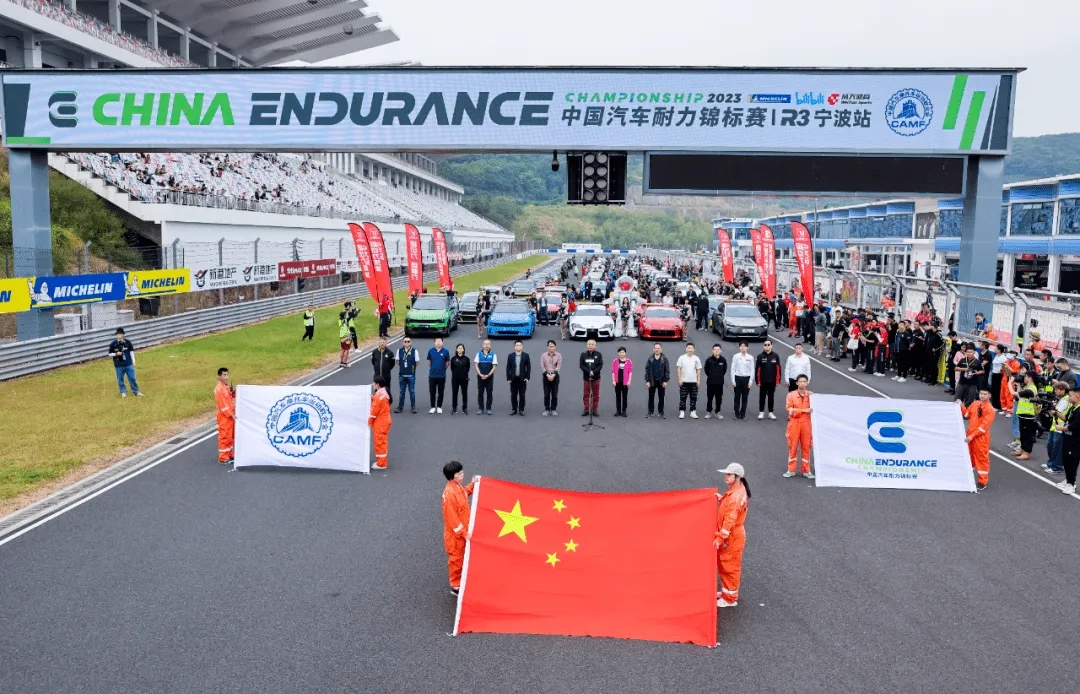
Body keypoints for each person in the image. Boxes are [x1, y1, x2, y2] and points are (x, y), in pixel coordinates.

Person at [714, 462, 750, 608]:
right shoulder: (735, 491)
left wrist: (719, 538)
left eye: (729, 474)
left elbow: (730, 519)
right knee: (725, 565)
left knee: (730, 567)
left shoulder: (735, 496)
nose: (726, 476)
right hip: (732, 535)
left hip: (732, 537)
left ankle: (730, 599)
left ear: (738, 477)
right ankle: (726, 593)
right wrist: (721, 498)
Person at [441, 461, 478, 596]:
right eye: (459, 474)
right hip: (456, 537)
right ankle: (455, 586)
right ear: (452, 476)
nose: (462, 475)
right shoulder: (450, 494)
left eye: (462, 472)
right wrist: (464, 533)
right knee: (456, 561)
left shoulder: (457, 487)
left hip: (461, 534)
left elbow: (464, 493)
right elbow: (452, 520)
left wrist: (473, 484)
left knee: (462, 558)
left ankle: (460, 580)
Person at [959, 388, 995, 489]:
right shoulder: (975, 404)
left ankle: (982, 482)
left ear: (989, 395)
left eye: (985, 394)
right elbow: (967, 414)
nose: (982, 396)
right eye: (981, 393)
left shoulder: (990, 410)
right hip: (971, 436)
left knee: (981, 459)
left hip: (981, 439)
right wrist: (961, 405)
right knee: (969, 457)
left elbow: (983, 427)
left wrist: (971, 436)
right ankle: (967, 477)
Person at [784, 374, 814, 478]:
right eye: (800, 381)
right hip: (794, 424)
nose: (802, 383)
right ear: (797, 383)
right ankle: (791, 470)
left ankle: (806, 470)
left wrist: (815, 397)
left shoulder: (811, 396)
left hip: (806, 424)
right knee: (793, 446)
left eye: (804, 381)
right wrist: (803, 410)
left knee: (806, 447)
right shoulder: (791, 395)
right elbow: (789, 409)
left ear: (807, 383)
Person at [1042, 381, 1069, 476]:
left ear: (1063, 390)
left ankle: (1057, 467)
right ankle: (1051, 464)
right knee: (1051, 446)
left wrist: (1052, 409)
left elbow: (1056, 412)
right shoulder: (1061, 399)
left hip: (1060, 428)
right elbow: (1052, 413)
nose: (1055, 391)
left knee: (1056, 449)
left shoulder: (1065, 400)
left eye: (1057, 389)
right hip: (1055, 427)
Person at [1057, 386, 1080, 495]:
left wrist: (1061, 428)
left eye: (1071, 396)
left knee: (1072, 461)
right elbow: (1066, 418)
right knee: (1066, 459)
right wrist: (1055, 412)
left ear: (1077, 396)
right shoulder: (1073, 408)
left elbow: (1074, 426)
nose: (1069, 398)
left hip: (1075, 441)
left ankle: (1071, 484)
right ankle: (1068, 479)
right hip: (1068, 438)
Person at [108, 328, 142, 398]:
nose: (119, 336)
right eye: (118, 334)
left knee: (132, 378)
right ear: (116, 335)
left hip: (128, 364)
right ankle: (123, 391)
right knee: (120, 379)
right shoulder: (113, 344)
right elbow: (109, 354)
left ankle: (136, 391)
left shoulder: (128, 342)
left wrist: (133, 361)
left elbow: (131, 352)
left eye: (121, 334)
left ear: (123, 335)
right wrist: (116, 354)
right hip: (118, 365)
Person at [755, 339, 782, 420]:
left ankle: (771, 412)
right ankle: (761, 412)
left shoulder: (775, 356)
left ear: (771, 346)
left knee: (771, 397)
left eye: (768, 345)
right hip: (763, 381)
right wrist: (757, 381)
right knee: (762, 396)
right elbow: (757, 369)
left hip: (772, 381)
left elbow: (778, 369)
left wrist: (778, 380)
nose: (767, 346)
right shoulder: (760, 356)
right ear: (763, 346)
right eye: (765, 345)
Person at [369, 377, 392, 470]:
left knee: (379, 442)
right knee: (382, 441)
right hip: (385, 420)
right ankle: (381, 461)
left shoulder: (379, 395)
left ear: (377, 384)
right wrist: (372, 398)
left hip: (380, 422)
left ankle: (381, 464)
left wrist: (369, 422)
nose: (373, 384)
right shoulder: (383, 392)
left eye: (374, 383)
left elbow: (374, 411)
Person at [1012, 385, 1039, 462]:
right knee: (1023, 434)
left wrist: (1010, 383)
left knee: (1028, 435)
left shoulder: (1030, 390)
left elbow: (1015, 393)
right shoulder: (1026, 388)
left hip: (1028, 416)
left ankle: (1027, 452)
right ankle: (1022, 449)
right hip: (1022, 415)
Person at [214, 367, 235, 465]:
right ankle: (223, 457)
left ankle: (229, 454)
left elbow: (229, 398)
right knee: (224, 437)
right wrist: (231, 415)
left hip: (229, 416)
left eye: (227, 375)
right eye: (224, 375)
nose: (226, 377)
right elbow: (223, 405)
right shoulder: (219, 389)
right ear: (220, 376)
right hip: (224, 417)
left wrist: (234, 392)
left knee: (230, 437)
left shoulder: (226, 387)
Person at [676, 342, 702, 420]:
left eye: (691, 348)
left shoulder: (696, 358)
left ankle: (693, 411)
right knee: (683, 397)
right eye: (688, 348)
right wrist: (679, 379)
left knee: (693, 398)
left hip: (694, 382)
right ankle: (682, 411)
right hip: (684, 381)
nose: (690, 349)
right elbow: (678, 368)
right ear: (686, 349)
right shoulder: (682, 358)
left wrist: (698, 380)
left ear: (694, 349)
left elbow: (698, 370)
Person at [644, 342, 670, 419]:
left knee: (661, 397)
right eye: (655, 348)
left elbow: (667, 371)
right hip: (652, 380)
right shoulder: (650, 359)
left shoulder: (664, 359)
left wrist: (665, 381)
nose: (657, 350)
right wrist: (647, 381)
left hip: (661, 381)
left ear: (661, 349)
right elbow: (647, 370)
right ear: (653, 349)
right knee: (651, 397)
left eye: (658, 348)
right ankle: (650, 412)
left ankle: (661, 412)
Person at [506, 340, 531, 415]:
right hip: (513, 379)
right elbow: (508, 367)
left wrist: (527, 377)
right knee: (513, 395)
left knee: (522, 395)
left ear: (522, 347)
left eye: (520, 345)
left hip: (522, 379)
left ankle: (521, 409)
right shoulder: (510, 356)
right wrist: (508, 378)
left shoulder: (526, 356)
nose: (518, 346)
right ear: (514, 347)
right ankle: (514, 409)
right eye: (517, 345)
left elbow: (528, 367)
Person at [730, 341, 754, 420]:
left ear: (747, 347)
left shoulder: (750, 357)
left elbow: (752, 370)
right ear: (739, 347)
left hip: (746, 378)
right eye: (741, 346)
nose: (743, 348)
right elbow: (733, 368)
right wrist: (733, 380)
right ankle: (736, 413)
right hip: (738, 378)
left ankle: (743, 414)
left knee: (745, 397)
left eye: (745, 346)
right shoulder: (736, 356)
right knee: (737, 397)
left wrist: (750, 382)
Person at [703, 344, 727, 420]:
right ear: (712, 350)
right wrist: (711, 376)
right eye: (715, 349)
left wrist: (719, 376)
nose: (716, 351)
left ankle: (717, 412)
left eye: (718, 349)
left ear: (721, 351)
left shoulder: (723, 360)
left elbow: (724, 370)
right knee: (710, 398)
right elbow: (706, 370)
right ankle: (708, 411)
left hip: (720, 383)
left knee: (719, 398)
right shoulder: (709, 360)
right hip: (710, 382)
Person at [474, 339, 498, 415]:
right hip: (480, 377)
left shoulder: (493, 355)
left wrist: (488, 375)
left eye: (488, 344)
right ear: (483, 345)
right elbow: (476, 365)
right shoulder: (478, 354)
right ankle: (480, 408)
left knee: (489, 393)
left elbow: (494, 366)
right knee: (480, 393)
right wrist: (480, 374)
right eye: (485, 344)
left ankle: (488, 408)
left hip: (489, 377)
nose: (486, 345)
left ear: (490, 345)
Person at [427, 337, 451, 414]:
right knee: (432, 392)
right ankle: (433, 407)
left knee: (441, 392)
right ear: (434, 342)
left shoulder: (445, 351)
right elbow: (429, 361)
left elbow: (447, 362)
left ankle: (439, 407)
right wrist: (433, 368)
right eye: (436, 341)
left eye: (440, 341)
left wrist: (443, 369)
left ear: (442, 342)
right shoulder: (431, 351)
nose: (438, 343)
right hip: (432, 375)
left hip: (441, 375)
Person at [580, 339, 603, 417]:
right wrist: (588, 371)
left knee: (596, 394)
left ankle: (594, 410)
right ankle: (586, 409)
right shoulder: (583, 354)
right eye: (589, 344)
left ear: (595, 346)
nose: (590, 346)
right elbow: (581, 365)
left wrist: (594, 372)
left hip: (596, 377)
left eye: (592, 344)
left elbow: (600, 365)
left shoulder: (598, 354)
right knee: (586, 394)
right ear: (587, 345)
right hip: (587, 377)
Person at [395, 337, 418, 414]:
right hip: (402, 375)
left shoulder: (414, 351)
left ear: (411, 342)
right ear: (403, 342)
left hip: (411, 375)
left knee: (412, 391)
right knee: (402, 392)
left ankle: (413, 406)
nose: (407, 343)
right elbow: (397, 361)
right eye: (405, 341)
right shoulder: (399, 351)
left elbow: (417, 362)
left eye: (408, 341)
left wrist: (411, 368)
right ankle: (400, 407)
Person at [370, 337, 396, 405]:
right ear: (378, 343)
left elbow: (392, 363)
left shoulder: (390, 353)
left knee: (386, 391)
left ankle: (387, 404)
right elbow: (373, 362)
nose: (382, 344)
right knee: (377, 391)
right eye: (381, 342)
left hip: (386, 376)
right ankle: (377, 404)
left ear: (386, 343)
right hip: (377, 376)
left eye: (383, 342)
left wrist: (387, 369)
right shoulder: (374, 352)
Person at [541, 339, 562, 416]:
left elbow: (558, 366)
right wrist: (547, 375)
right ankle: (547, 409)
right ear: (547, 347)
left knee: (554, 394)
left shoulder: (558, 355)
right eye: (550, 346)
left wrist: (553, 375)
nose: (551, 348)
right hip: (546, 376)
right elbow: (542, 366)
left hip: (555, 376)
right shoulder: (543, 355)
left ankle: (553, 409)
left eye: (553, 346)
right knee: (546, 394)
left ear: (555, 347)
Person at [449, 344, 471, 415]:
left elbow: (468, 368)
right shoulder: (453, 359)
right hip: (455, 379)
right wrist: (456, 374)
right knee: (454, 393)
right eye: (459, 348)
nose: (460, 349)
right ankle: (454, 408)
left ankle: (464, 408)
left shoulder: (466, 359)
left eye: (461, 348)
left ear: (463, 350)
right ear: (456, 349)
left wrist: (464, 374)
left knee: (464, 393)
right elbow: (452, 368)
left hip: (464, 379)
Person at [612, 346, 633, 417]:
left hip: (625, 382)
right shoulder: (615, 361)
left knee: (624, 397)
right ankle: (618, 411)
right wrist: (613, 381)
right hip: (617, 382)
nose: (621, 354)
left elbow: (630, 372)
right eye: (620, 352)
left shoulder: (629, 361)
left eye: (623, 352)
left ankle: (624, 411)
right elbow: (613, 372)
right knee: (618, 397)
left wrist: (629, 381)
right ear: (618, 353)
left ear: (625, 353)